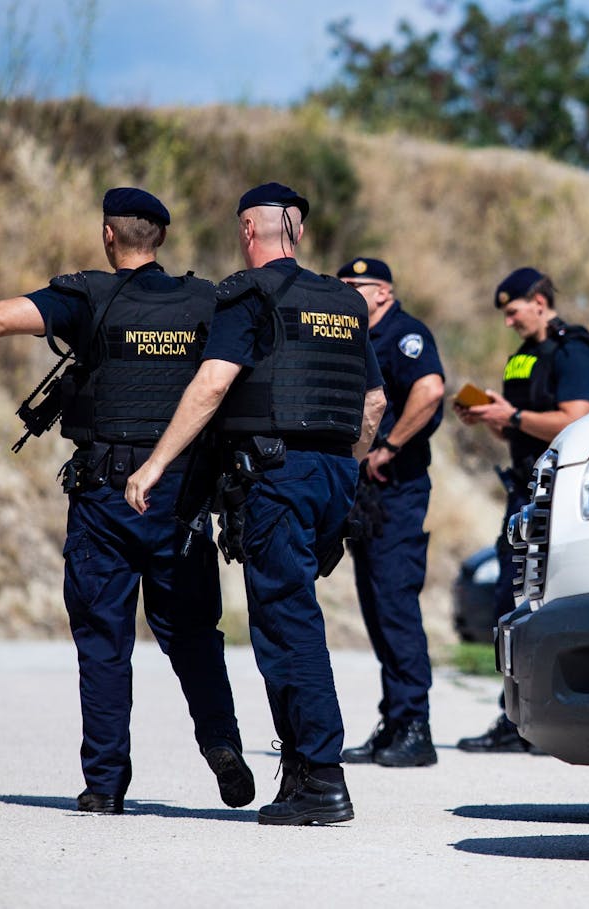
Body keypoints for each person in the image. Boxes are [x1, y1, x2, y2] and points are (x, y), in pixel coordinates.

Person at [0, 187, 254, 815]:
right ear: (158, 238)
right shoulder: (205, 301)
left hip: (106, 497)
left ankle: (105, 785)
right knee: (192, 635)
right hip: (179, 494)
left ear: (110, 236)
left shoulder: (89, 297)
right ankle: (221, 744)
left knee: (104, 639)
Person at [123, 182, 386, 826]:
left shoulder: (249, 294)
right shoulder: (342, 302)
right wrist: (345, 475)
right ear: (297, 228)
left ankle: (322, 778)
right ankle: (299, 772)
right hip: (333, 476)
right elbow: (373, 405)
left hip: (280, 476)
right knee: (289, 614)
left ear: (249, 230)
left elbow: (213, 383)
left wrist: (156, 463)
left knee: (286, 623)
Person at [454, 266, 589, 752]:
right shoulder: (522, 359)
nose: (508, 322)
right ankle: (513, 717)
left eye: (513, 310)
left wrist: (511, 415)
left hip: (556, 498)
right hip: (521, 494)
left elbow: (576, 420)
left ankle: (541, 721)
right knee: (508, 605)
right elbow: (518, 427)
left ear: (539, 301)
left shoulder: (573, 348)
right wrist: (494, 418)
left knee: (539, 606)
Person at [335, 258, 446, 768]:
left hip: (396, 490)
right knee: (377, 608)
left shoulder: (406, 334)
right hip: (366, 494)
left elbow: (430, 390)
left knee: (395, 605)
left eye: (354, 286)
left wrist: (391, 446)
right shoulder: (355, 334)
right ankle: (394, 720)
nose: (346, 292)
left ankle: (415, 727)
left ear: (382, 292)